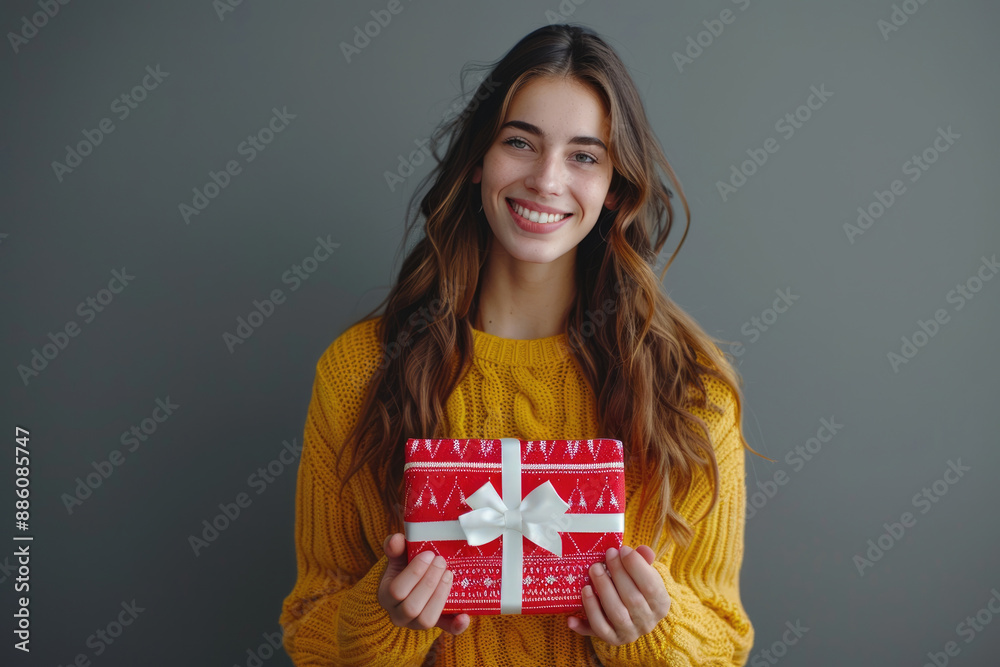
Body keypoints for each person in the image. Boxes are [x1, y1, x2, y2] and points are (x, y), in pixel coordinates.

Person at [278, 23, 770, 667]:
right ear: (479, 158)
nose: (546, 179)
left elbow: (725, 643)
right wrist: (385, 616)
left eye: (584, 156)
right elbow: (309, 631)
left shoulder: (690, 387)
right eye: (520, 142)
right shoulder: (359, 371)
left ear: (615, 187)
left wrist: (655, 631)